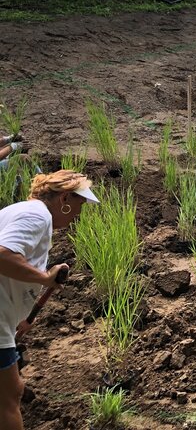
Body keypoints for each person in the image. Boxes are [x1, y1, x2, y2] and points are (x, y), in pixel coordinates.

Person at [1, 170, 98, 430]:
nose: (80, 213)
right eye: (80, 204)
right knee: (8, 400)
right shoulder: (37, 216)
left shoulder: (19, 210)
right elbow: (2, 255)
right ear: (65, 198)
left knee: (14, 389)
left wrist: (21, 319)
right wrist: (44, 278)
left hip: (5, 321)